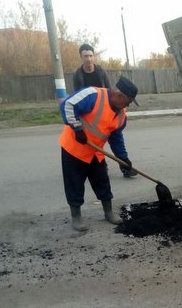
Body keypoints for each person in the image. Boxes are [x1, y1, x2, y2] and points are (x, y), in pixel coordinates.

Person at [59, 76, 139, 231]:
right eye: (128, 101)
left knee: (102, 181)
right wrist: (76, 128)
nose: (128, 105)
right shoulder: (93, 95)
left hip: (96, 151)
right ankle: (76, 217)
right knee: (74, 184)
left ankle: (108, 212)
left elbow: (116, 138)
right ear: (119, 95)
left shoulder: (122, 114)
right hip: (74, 149)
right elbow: (68, 105)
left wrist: (123, 158)